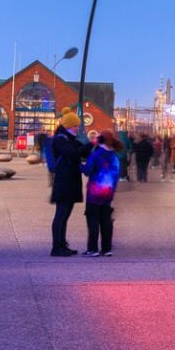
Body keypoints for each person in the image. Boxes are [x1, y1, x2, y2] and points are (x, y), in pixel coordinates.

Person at [49, 109, 92, 257]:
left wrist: (93, 145)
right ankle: (56, 247)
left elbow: (83, 151)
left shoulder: (70, 139)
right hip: (64, 182)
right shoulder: (61, 140)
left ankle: (62, 244)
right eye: (75, 126)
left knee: (65, 215)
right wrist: (90, 144)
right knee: (61, 215)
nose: (77, 128)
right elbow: (73, 154)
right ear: (68, 126)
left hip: (70, 181)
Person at [81, 130, 122, 256]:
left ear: (100, 140)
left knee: (93, 219)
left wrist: (79, 165)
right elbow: (116, 173)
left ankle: (92, 248)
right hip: (109, 191)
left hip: (95, 191)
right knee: (106, 220)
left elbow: (88, 170)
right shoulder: (114, 156)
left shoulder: (96, 154)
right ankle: (106, 248)